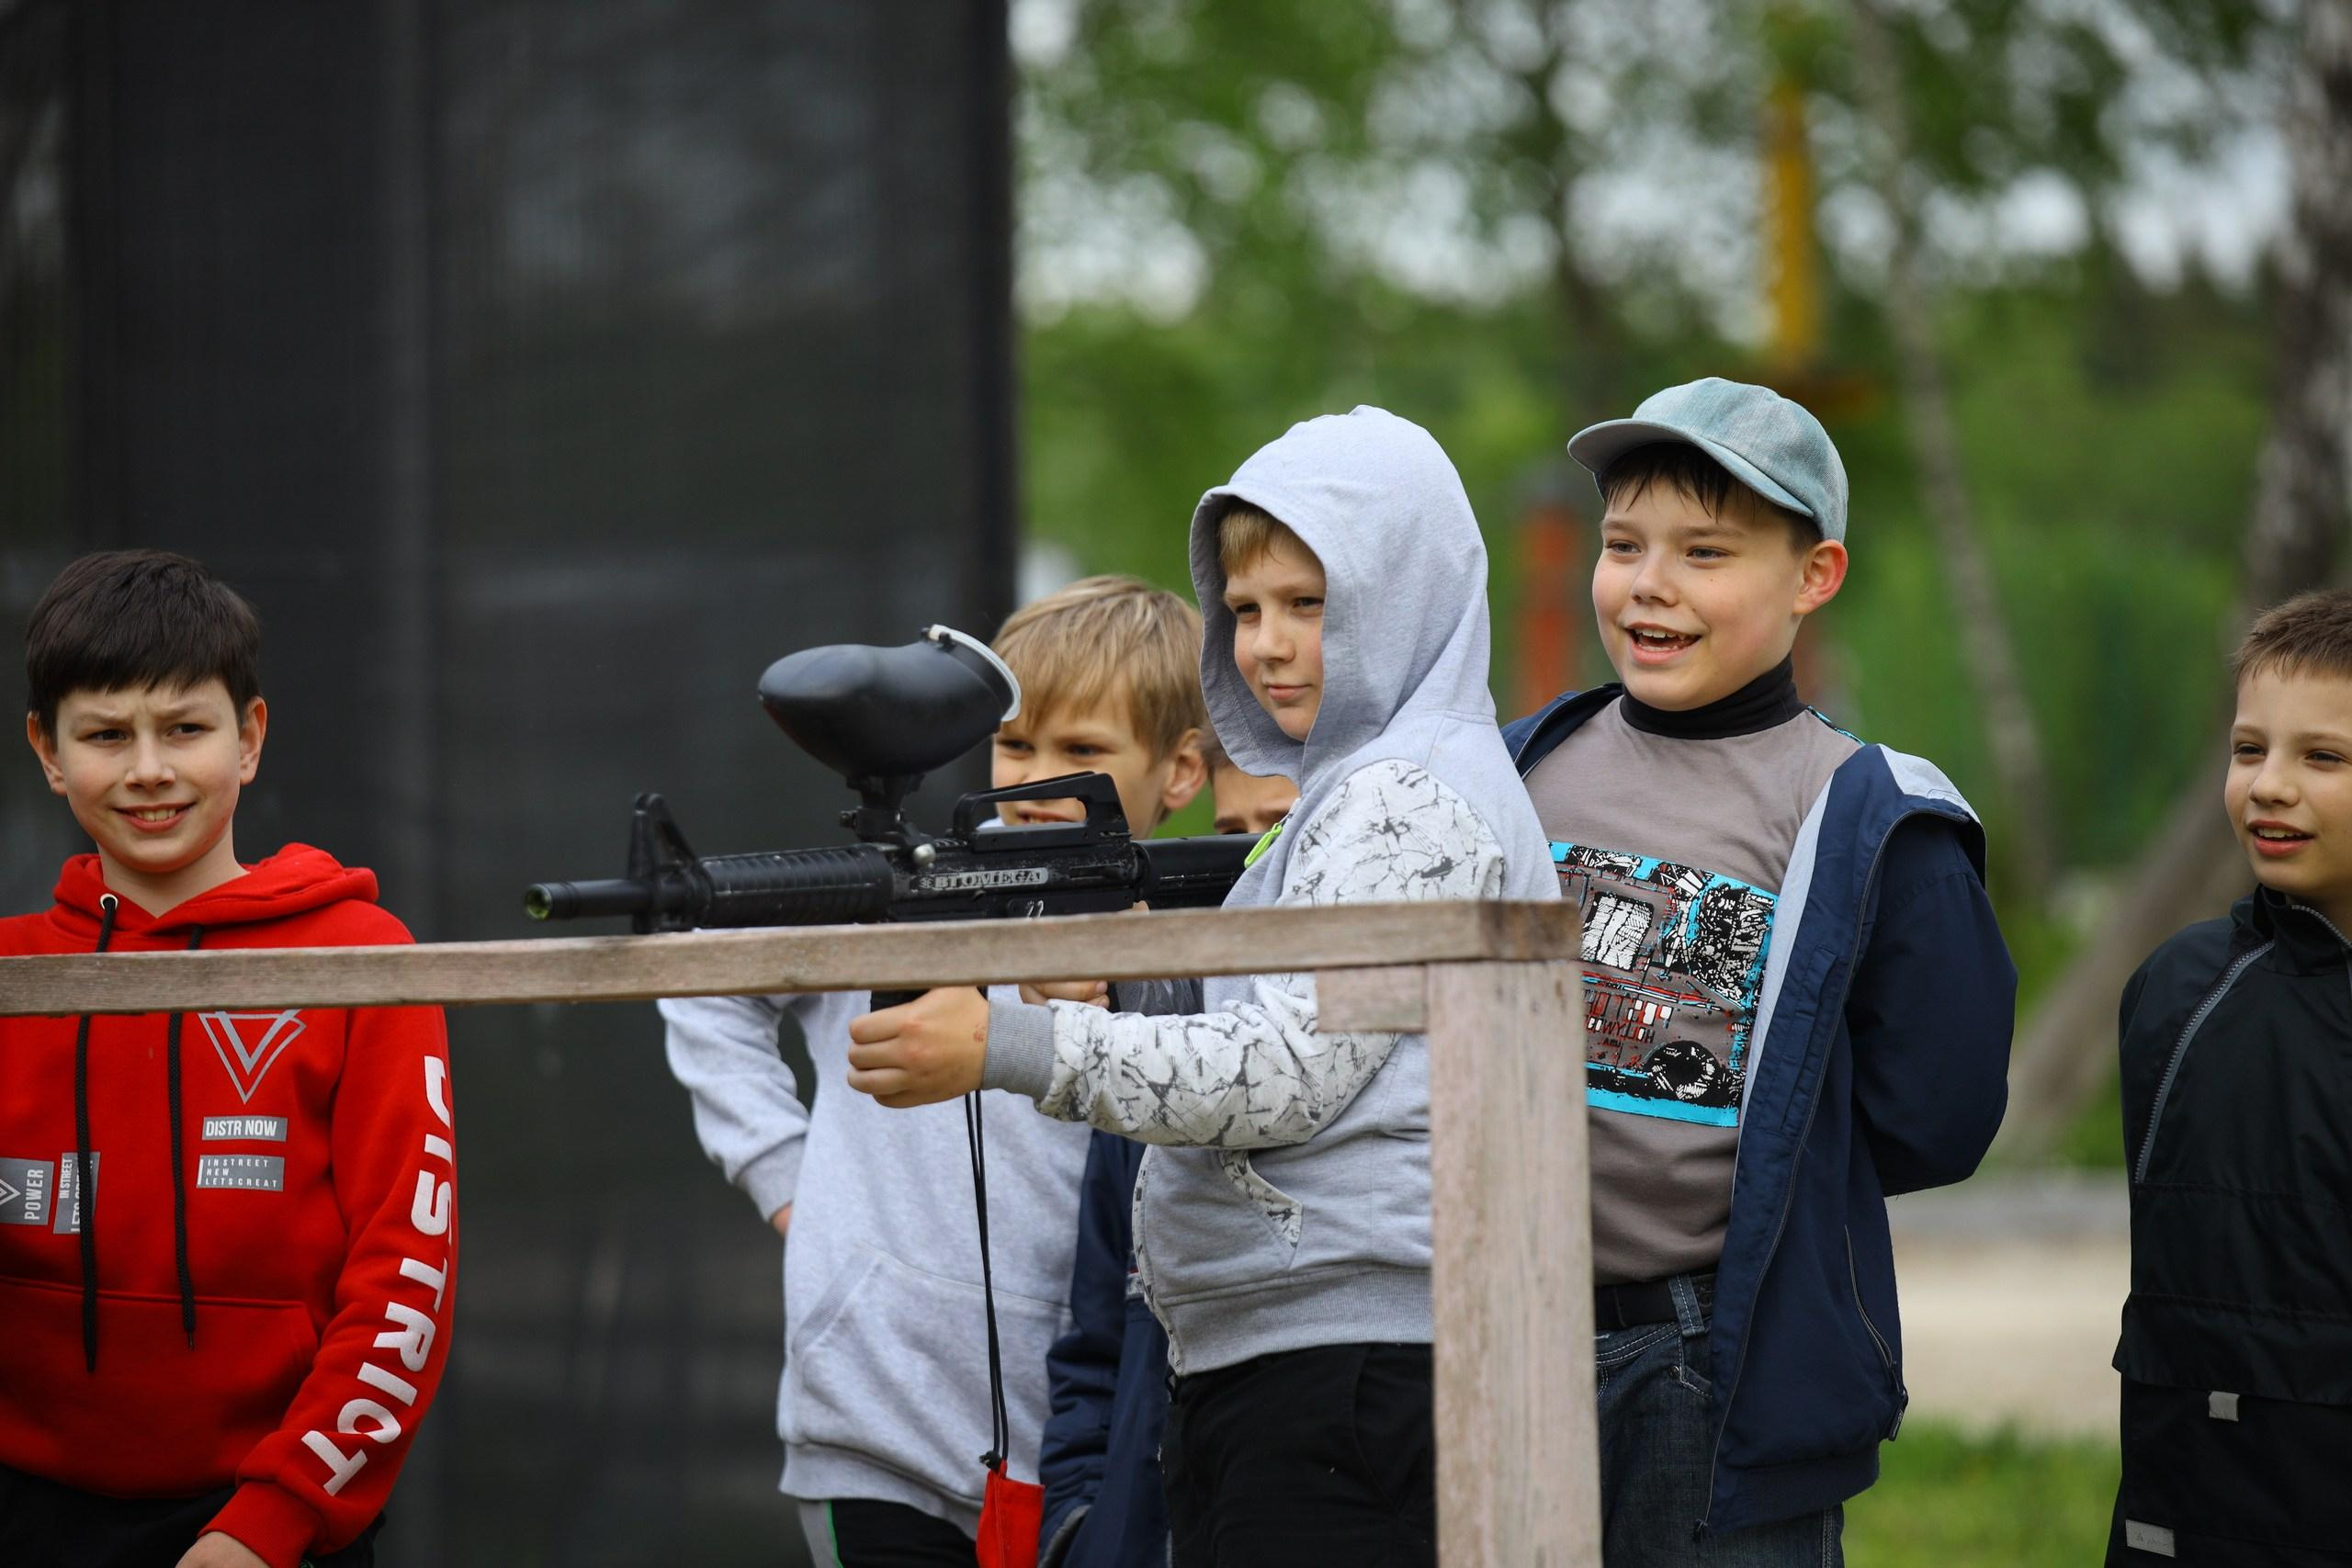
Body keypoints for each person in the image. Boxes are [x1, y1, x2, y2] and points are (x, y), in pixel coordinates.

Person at [844, 406, 1557, 1568]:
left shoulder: (1407, 797)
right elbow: (1313, 1037)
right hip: (1298, 1373)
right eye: (1242, 610)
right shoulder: (1361, 795)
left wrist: (1005, 1046)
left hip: (1355, 1387)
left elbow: (1284, 1077)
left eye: (1308, 604)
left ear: (1408, 590)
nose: (1266, 644)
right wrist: (1130, 998)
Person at [1503, 378, 2015, 1562]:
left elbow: (1933, 1116)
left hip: (1700, 1357)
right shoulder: (1520, 769)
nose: (1650, 583)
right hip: (1501, 1328)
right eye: (1623, 544)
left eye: (1706, 552)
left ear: (1811, 578)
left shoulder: (1866, 815)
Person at [659, 575, 1210, 1567]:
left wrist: (1134, 985)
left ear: (1180, 772)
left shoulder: (1194, 938)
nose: (1038, 782)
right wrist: (788, 1182)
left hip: (1090, 1446)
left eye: (1082, 752)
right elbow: (702, 981)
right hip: (872, 1430)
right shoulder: (908, 890)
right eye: (1014, 744)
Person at [0, 550, 457, 1568]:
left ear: (249, 738)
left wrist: (271, 1523)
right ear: (47, 750)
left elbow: (406, 1276)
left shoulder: (361, 958)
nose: (149, 770)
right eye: (107, 735)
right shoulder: (8, 971)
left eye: (186, 729)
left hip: (268, 1525)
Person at [2108, 589, 2352, 1565]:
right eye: (2249, 750)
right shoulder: (2175, 991)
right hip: (2193, 1518)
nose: (2268, 786)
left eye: (2322, 757)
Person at [1036, 754, 1297, 1568]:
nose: (1256, 861)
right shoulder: (1146, 1065)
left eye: (1285, 833)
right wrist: (1081, 1524)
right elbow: (1093, 1346)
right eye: (1232, 836)